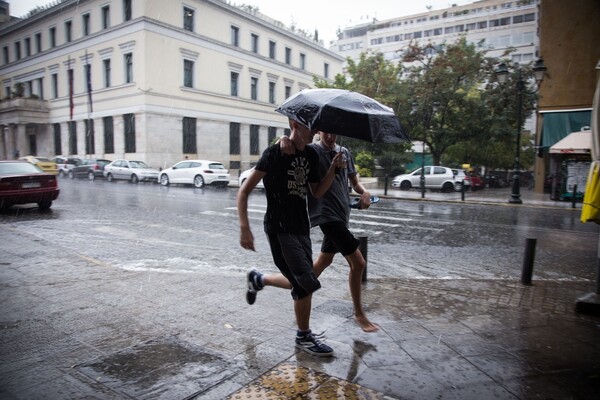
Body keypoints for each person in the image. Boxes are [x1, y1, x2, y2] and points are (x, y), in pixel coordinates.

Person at [246, 131, 379, 333]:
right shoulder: (313, 150)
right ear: (319, 132)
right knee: (358, 263)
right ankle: (359, 314)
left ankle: (259, 279)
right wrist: (281, 138)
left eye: (335, 133)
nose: (331, 137)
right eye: (326, 132)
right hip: (327, 218)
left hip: (342, 216)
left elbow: (354, 181)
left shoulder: (344, 153)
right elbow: (292, 144)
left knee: (314, 270)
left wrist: (364, 192)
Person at [237, 119, 346, 357]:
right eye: (312, 126)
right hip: (280, 228)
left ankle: (258, 280)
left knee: (300, 280)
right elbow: (244, 190)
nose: (317, 131)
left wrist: (333, 170)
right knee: (305, 282)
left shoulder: (310, 156)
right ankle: (303, 337)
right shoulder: (275, 153)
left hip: (301, 227)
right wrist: (245, 227)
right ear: (295, 124)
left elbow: (316, 191)